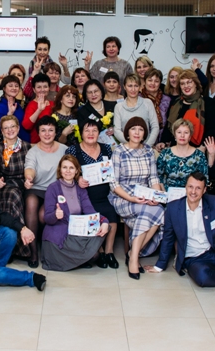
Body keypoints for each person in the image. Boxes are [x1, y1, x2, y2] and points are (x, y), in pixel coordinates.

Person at [109, 117, 163, 279]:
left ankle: (133, 254)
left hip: (144, 194)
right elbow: (113, 183)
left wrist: (156, 197)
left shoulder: (148, 151)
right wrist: (131, 198)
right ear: (127, 133)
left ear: (144, 133)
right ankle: (133, 258)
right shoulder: (119, 151)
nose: (137, 132)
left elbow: (153, 178)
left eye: (141, 129)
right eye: (133, 129)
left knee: (160, 210)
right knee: (150, 212)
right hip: (122, 196)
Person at [41, 155, 110, 271]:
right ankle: (74, 261)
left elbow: (90, 211)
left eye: (71, 168)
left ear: (77, 171)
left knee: (95, 255)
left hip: (75, 231)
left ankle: (76, 261)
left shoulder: (81, 190)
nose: (68, 171)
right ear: (60, 170)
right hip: (58, 237)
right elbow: (47, 218)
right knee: (90, 256)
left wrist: (104, 221)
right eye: (64, 167)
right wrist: (55, 215)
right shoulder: (52, 188)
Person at [67, 119, 118, 268]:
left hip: (104, 194)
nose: (90, 134)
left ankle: (109, 251)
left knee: (111, 214)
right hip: (84, 195)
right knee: (93, 216)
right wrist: (78, 178)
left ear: (98, 133)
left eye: (94, 130)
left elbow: (112, 170)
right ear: (81, 133)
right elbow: (67, 170)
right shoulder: (73, 150)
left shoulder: (107, 148)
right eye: (87, 130)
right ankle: (99, 250)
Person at [0, 115, 32, 260]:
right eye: (6, 128)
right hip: (2, 184)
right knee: (13, 194)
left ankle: (16, 246)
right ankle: (17, 246)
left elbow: (31, 168)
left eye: (12, 126)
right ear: (1, 131)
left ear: (18, 128)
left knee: (16, 194)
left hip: (22, 182)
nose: (10, 130)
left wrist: (29, 179)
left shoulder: (27, 147)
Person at [24, 116, 65, 267]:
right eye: (43, 130)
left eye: (50, 130)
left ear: (55, 132)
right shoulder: (33, 151)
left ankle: (47, 245)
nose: (47, 134)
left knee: (43, 215)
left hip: (56, 190)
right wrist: (29, 177)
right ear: (38, 133)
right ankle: (33, 251)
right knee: (31, 202)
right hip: (37, 188)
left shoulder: (64, 150)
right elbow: (29, 167)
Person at [158, 119, 209, 190]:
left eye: (186, 132)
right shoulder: (165, 153)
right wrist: (164, 193)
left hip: (191, 194)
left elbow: (204, 180)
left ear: (190, 136)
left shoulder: (199, 155)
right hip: (167, 193)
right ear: (174, 135)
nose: (182, 135)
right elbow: (158, 176)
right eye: (179, 132)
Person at [161, 69, 205, 147]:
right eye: (182, 83)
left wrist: (203, 147)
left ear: (196, 83)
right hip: (175, 147)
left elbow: (210, 130)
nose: (186, 86)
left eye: (189, 82)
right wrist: (163, 142)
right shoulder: (175, 102)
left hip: (198, 148)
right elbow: (168, 126)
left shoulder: (207, 103)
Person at [113, 74, 160, 147]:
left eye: (136, 86)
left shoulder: (147, 103)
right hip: (127, 148)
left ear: (140, 87)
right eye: (130, 86)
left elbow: (155, 126)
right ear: (124, 87)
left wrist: (147, 146)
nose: (133, 89)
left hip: (146, 147)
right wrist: (132, 145)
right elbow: (117, 131)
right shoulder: (118, 107)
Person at [77, 79, 116, 145]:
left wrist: (115, 130)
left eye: (96, 91)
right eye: (90, 92)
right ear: (86, 95)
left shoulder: (113, 106)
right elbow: (82, 133)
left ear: (101, 91)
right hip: (93, 145)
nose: (93, 94)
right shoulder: (82, 112)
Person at [0, 74, 28, 142]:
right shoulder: (1, 106)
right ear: (4, 88)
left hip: (24, 142)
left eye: (16, 86)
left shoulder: (18, 104)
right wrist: (10, 114)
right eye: (10, 86)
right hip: (12, 143)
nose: (14, 88)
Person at [22, 74, 54, 144]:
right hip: (36, 144)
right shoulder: (31, 105)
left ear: (49, 88)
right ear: (34, 90)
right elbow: (26, 126)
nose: (42, 90)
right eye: (39, 87)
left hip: (51, 143)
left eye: (45, 87)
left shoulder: (53, 104)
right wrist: (39, 110)